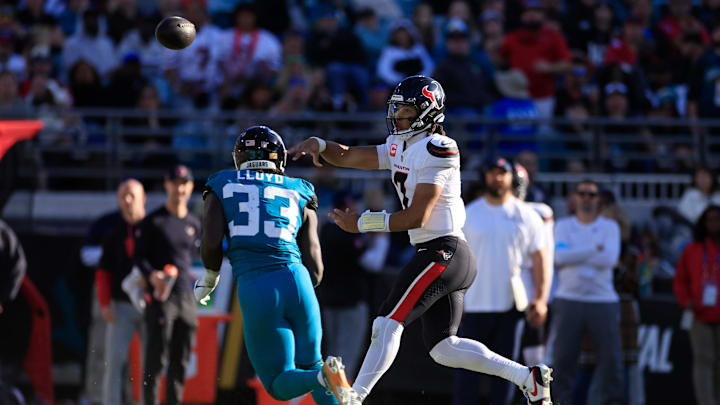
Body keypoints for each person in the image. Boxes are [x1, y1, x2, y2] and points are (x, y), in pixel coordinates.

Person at [288, 75, 552, 405]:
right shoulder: (404, 144)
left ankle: (356, 397)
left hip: (443, 250)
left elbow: (417, 217)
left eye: (405, 111)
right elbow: (351, 156)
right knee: (444, 348)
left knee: (387, 321)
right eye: (395, 110)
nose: (397, 118)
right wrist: (322, 146)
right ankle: (527, 378)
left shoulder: (438, 148)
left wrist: (362, 223)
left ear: (427, 113)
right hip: (444, 253)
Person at [193, 126, 341, 405]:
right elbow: (315, 263)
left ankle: (324, 376)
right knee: (313, 365)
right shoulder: (300, 189)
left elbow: (211, 243)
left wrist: (210, 277)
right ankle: (325, 376)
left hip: (257, 284)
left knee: (277, 383)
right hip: (298, 279)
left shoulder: (221, 183)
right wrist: (302, 290)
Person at [455, 158, 550, 405]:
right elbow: (455, 259)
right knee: (468, 374)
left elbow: (541, 259)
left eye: (503, 173)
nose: (497, 178)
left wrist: (540, 299)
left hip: (511, 307)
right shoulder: (469, 213)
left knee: (508, 375)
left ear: (512, 177)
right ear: (484, 177)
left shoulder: (527, 215)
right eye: (492, 173)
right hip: (474, 305)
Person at [551, 179, 624, 405]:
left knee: (611, 361)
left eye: (591, 194)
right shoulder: (562, 226)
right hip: (568, 298)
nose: (586, 198)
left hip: (603, 301)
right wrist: (594, 248)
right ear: (574, 197)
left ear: (598, 199)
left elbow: (610, 259)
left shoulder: (610, 227)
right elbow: (559, 257)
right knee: (563, 360)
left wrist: (575, 254)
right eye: (582, 193)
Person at [135, 165, 201, 405]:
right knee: (155, 358)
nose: (180, 188)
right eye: (175, 183)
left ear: (190, 186)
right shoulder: (154, 221)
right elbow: (139, 257)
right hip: (162, 296)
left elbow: (192, 254)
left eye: (184, 183)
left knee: (180, 359)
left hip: (186, 295)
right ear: (167, 185)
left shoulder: (194, 223)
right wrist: (152, 275)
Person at [95, 179, 147, 405]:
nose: (127, 201)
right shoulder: (112, 233)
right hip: (121, 306)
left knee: (151, 364)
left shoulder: (154, 228)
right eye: (123, 196)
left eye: (132, 195)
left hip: (149, 305)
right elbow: (103, 272)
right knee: (114, 362)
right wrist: (104, 303)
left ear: (142, 198)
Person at [318, 190, 371, 378]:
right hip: (350, 300)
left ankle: (328, 396)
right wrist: (379, 239)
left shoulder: (325, 229)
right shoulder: (347, 232)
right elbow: (373, 262)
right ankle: (339, 398)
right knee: (346, 355)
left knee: (332, 354)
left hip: (329, 299)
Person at [674, 205, 720, 405]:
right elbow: (680, 280)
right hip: (699, 314)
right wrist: (686, 300)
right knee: (703, 360)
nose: (714, 224)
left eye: (717, 219)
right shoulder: (692, 250)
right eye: (709, 219)